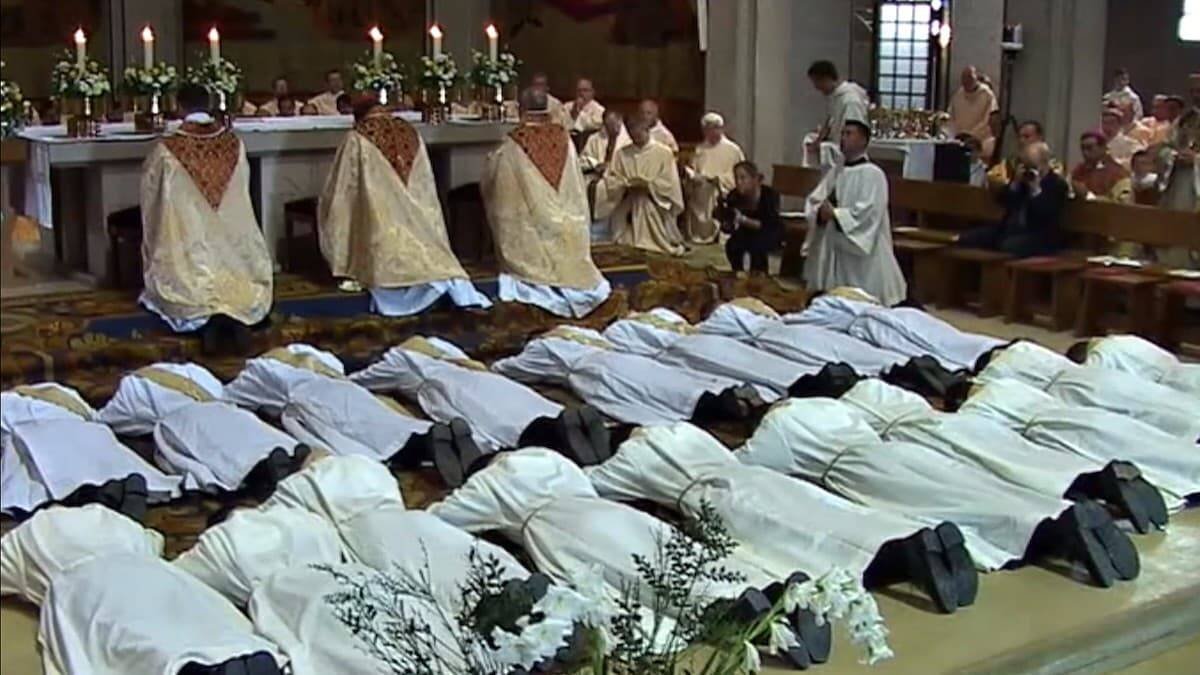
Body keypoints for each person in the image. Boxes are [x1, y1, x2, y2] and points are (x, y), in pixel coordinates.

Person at [740, 397, 1141, 588]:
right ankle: (1059, 513)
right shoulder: (829, 406)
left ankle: (1052, 533)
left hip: (863, 471)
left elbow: (743, 464)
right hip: (900, 451)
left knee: (958, 508)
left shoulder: (777, 429)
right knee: (977, 490)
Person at [588, 422, 976, 615]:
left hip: (716, 498)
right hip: (759, 479)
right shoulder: (686, 430)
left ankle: (898, 557)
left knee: (800, 538)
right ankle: (908, 538)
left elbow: (591, 485)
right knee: (832, 516)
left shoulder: (629, 459)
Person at [842, 379, 1169, 535]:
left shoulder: (847, 407)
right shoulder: (881, 388)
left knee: (998, 478)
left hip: (923, 436)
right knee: (1029, 459)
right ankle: (1098, 481)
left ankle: (1065, 513)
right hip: (969, 424)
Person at [0, 506, 286, 675]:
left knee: (130, 637)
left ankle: (196, 666)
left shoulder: (33, 533)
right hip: (150, 572)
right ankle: (233, 655)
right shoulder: (113, 521)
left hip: (88, 583)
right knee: (193, 622)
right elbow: (153, 542)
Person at [351, 336, 612, 482]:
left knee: (499, 422)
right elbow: (471, 362)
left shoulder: (398, 360)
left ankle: (558, 438)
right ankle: (571, 431)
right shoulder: (438, 346)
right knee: (525, 408)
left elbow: (358, 382)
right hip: (486, 381)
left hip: (451, 390)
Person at [317, 96, 490, 313]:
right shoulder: (410, 131)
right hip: (422, 228)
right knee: (428, 251)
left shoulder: (358, 136)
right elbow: (425, 183)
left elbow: (342, 189)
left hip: (383, 231)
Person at [223, 343, 483, 486]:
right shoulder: (323, 361)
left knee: (366, 438)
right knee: (387, 423)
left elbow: (229, 397)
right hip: (346, 391)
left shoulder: (262, 370)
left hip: (312, 400)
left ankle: (423, 445)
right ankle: (427, 438)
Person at [139, 83, 272, 355]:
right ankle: (234, 306)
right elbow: (242, 189)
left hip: (190, 248)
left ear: (179, 107)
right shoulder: (234, 144)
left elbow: (152, 194)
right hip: (231, 248)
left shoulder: (167, 149)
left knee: (185, 251)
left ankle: (204, 312)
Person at [959, 377, 1199, 509]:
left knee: (1137, 455)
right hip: (1083, 415)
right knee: (1154, 444)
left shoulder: (974, 410)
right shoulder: (1007, 384)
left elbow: (1000, 439)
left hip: (1058, 431)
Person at [480, 87, 611, 318]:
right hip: (570, 228)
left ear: (520, 109)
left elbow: (497, 183)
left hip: (536, 235)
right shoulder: (564, 138)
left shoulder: (513, 144)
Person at [492, 325, 764, 426]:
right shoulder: (580, 333)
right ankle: (726, 398)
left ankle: (721, 407)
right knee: (670, 382)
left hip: (596, 372)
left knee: (650, 397)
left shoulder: (540, 348)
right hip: (625, 360)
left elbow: (507, 368)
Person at [1, 383, 181, 518]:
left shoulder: (9, 401)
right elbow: (93, 415)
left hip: (47, 429)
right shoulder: (60, 392)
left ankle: (86, 494)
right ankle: (100, 491)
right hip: (78, 429)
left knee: (32, 459)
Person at [975, 341, 1200, 441]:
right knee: (1161, 402)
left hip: (1083, 391)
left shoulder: (1008, 371)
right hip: (1169, 378)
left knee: (1145, 415)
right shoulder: (1030, 352)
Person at [601, 307, 817, 401]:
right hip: (693, 345)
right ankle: (786, 387)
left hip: (691, 346)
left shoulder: (621, 329)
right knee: (740, 368)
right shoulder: (651, 316)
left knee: (747, 365)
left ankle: (796, 383)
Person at [803, 119, 907, 306]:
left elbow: (870, 212)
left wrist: (836, 214)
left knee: (867, 300)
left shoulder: (873, 174)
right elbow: (816, 199)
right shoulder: (837, 171)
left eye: (849, 134)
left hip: (862, 251)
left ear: (863, 141)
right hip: (835, 243)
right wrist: (819, 211)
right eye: (842, 134)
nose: (843, 138)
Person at [594, 116, 686, 256]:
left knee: (644, 205)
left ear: (647, 130)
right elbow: (612, 178)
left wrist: (649, 185)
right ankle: (630, 242)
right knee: (626, 210)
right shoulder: (622, 153)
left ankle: (651, 242)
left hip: (655, 201)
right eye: (632, 135)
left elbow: (669, 182)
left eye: (639, 134)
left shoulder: (664, 152)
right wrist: (626, 184)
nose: (635, 138)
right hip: (627, 197)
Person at [961, 141, 1069, 257]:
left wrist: (1036, 190)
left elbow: (1046, 215)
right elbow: (1001, 200)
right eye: (1026, 166)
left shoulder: (1057, 184)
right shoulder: (1023, 181)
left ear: (1044, 163)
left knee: (1008, 245)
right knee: (967, 238)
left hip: (1039, 235)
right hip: (1010, 229)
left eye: (1033, 166)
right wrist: (1015, 183)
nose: (1029, 170)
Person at [1067, 334, 1199, 396]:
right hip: (1187, 370)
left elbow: (1089, 380)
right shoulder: (1124, 338)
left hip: (1176, 385)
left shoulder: (1100, 353)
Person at [684, 112, 745, 244]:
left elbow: (740, 174)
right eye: (708, 129)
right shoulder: (700, 149)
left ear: (721, 129)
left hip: (723, 189)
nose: (712, 132)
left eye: (715, 128)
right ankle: (700, 234)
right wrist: (694, 176)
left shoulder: (733, 150)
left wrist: (719, 179)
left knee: (715, 196)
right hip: (702, 189)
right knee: (699, 194)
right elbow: (694, 170)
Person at [719, 161, 781, 274]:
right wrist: (725, 221)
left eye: (743, 178)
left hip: (768, 232)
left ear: (754, 179)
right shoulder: (733, 196)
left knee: (758, 246)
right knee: (732, 245)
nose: (739, 182)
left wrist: (743, 219)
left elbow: (768, 224)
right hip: (745, 232)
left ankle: (759, 276)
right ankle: (737, 272)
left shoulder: (769, 195)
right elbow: (729, 228)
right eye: (736, 178)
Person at [1159, 73, 1199, 214]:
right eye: (1193, 91)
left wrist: (1196, 159)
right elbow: (1164, 149)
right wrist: (1174, 156)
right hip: (1182, 181)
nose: (1196, 95)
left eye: (1199, 91)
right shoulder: (1183, 120)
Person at [807, 60, 870, 146]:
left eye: (817, 81)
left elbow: (853, 135)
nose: (816, 87)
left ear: (827, 78)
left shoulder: (850, 101)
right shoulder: (835, 98)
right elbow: (830, 124)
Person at [1070, 131, 1132, 202]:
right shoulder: (1078, 170)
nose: (1085, 153)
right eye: (1082, 148)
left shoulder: (1119, 174)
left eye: (1089, 148)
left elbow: (1121, 204)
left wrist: (1088, 195)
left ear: (1102, 148)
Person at [947, 66, 999, 141]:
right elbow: (951, 117)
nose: (966, 81)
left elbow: (989, 119)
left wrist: (971, 134)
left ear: (976, 78)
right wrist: (956, 134)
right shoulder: (958, 95)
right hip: (959, 138)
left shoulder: (987, 95)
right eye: (964, 78)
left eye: (969, 77)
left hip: (981, 139)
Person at [579, 108, 630, 174]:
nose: (613, 128)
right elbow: (583, 161)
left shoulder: (628, 139)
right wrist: (596, 165)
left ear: (620, 121)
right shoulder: (594, 139)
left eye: (615, 124)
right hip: (596, 175)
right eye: (609, 125)